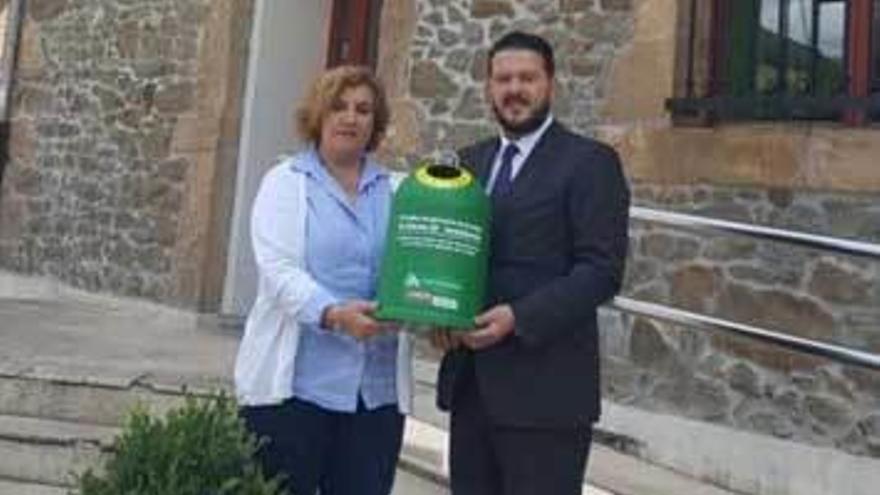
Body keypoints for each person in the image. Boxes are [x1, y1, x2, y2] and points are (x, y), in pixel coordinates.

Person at [431, 31, 630, 495]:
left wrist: (518, 318)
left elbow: (601, 270)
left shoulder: (591, 163)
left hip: (547, 396)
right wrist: (437, 315)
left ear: (551, 85)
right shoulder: (467, 163)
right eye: (502, 78)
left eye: (527, 78)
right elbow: (454, 256)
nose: (514, 89)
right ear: (488, 87)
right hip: (472, 387)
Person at [234, 65, 411, 495]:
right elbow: (278, 273)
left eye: (364, 109)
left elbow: (413, 273)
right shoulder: (285, 183)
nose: (351, 118)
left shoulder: (399, 190)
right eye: (339, 106)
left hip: (374, 397)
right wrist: (332, 313)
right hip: (296, 392)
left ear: (376, 123)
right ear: (318, 114)